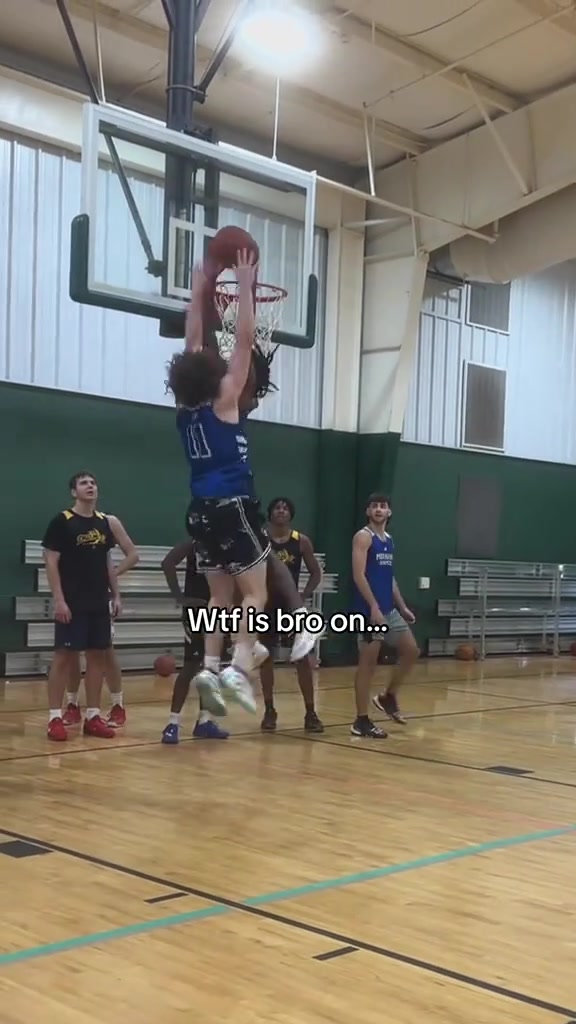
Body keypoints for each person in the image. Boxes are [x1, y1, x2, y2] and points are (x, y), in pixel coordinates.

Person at [167, 251, 270, 718]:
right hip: (232, 505)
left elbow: (192, 340)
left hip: (199, 511)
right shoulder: (225, 399)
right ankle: (240, 664)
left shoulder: (184, 409)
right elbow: (245, 339)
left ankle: (210, 668)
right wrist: (245, 285)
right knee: (255, 595)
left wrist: (199, 289)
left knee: (219, 597)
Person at [42, 472, 127, 741]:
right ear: (73, 492)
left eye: (93, 482)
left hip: (98, 601)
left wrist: (116, 595)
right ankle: (54, 717)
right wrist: (59, 599)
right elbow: (51, 561)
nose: (90, 486)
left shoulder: (104, 523)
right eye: (83, 483)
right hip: (72, 601)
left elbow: (107, 563)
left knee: (97, 658)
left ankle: (92, 716)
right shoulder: (62, 521)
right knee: (64, 658)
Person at [350, 494, 419, 738]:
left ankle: (388, 696)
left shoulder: (389, 540)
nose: (379, 510)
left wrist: (402, 607)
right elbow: (358, 575)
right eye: (374, 506)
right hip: (368, 611)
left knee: (411, 651)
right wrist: (373, 606)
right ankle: (361, 720)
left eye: (383, 506)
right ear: (368, 511)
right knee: (368, 664)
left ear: (389, 512)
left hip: (388, 609)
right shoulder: (363, 537)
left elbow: (389, 578)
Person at [61, 514, 139, 728]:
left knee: (105, 652)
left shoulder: (108, 522)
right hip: (73, 595)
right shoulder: (66, 522)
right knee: (71, 652)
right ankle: (72, 704)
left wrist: (112, 578)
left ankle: (117, 705)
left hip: (99, 596)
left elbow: (133, 555)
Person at [260, 497, 324, 733]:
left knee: (302, 658)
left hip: (291, 608)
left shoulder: (300, 541)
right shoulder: (260, 539)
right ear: (270, 513)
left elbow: (316, 573)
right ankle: (269, 710)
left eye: (285, 508)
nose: (281, 511)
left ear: (291, 514)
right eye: (277, 507)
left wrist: (303, 595)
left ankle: (310, 712)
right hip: (266, 605)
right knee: (265, 658)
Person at [160, 537, 233, 743]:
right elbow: (167, 562)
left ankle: (204, 721)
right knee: (191, 665)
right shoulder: (195, 543)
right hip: (197, 610)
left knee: (212, 667)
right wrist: (179, 597)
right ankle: (173, 722)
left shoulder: (231, 546)